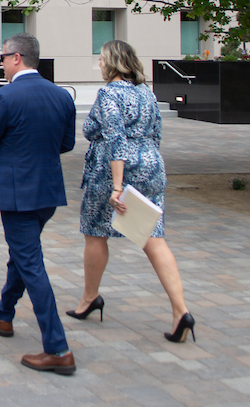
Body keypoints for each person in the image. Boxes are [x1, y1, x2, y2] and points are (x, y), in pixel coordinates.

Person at [0, 33, 78, 375]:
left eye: (3, 58)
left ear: (17, 58)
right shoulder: (62, 97)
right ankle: (3, 314)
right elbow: (65, 144)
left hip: (18, 195)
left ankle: (58, 349)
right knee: (22, 256)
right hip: (47, 193)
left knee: (31, 264)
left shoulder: (4, 97)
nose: (1, 64)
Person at [67, 39, 196, 343]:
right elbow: (156, 133)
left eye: (101, 59)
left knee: (95, 232)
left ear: (111, 63)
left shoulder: (109, 93)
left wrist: (117, 186)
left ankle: (89, 298)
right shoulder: (146, 93)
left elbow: (114, 138)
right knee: (154, 238)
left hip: (112, 171)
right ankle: (181, 311)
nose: (99, 64)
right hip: (151, 165)